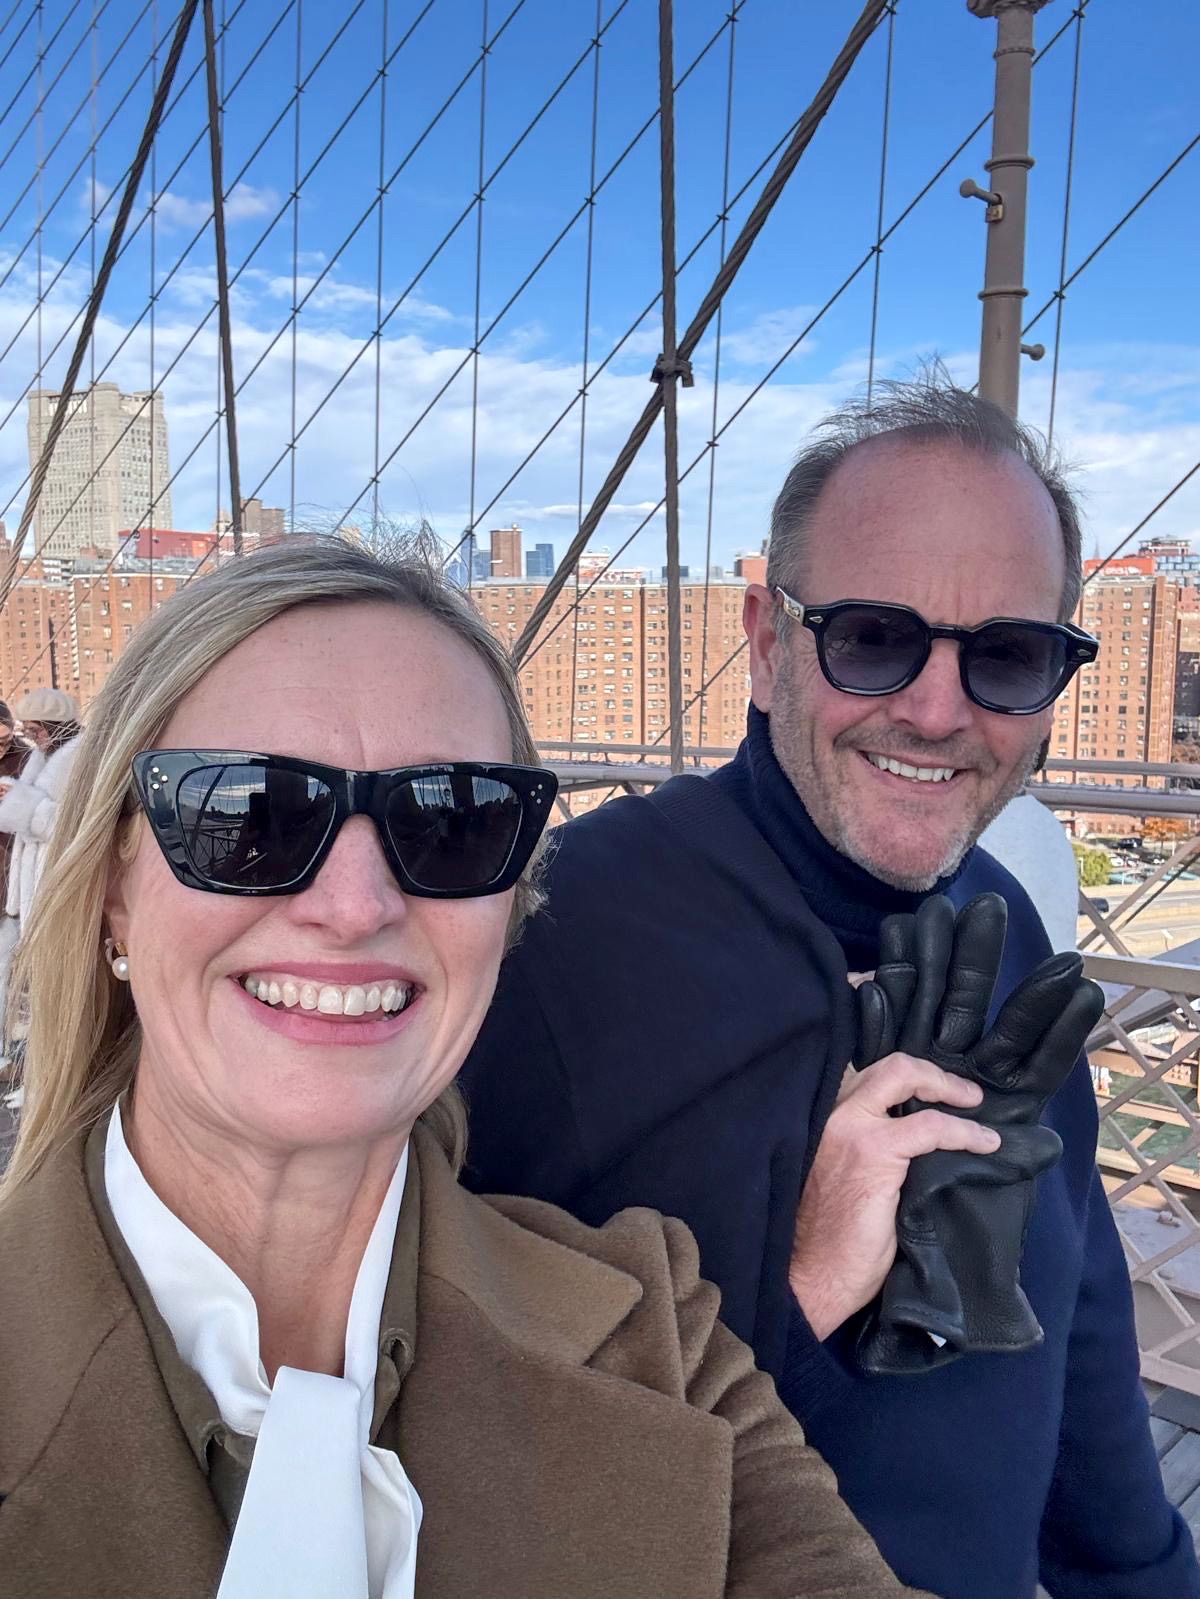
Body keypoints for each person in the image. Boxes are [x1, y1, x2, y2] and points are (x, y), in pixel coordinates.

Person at [0, 536, 921, 1599]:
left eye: (453, 823)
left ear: (510, 905)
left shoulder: (653, 1323)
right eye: (246, 811)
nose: (355, 907)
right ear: (115, 888)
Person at [462, 377, 1200, 1599]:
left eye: (1008, 657)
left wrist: (1141, 1576)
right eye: (872, 636)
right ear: (764, 642)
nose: (935, 707)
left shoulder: (1004, 930)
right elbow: (472, 1440)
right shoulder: (554, 938)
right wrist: (798, 1295)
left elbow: (1079, 1321)